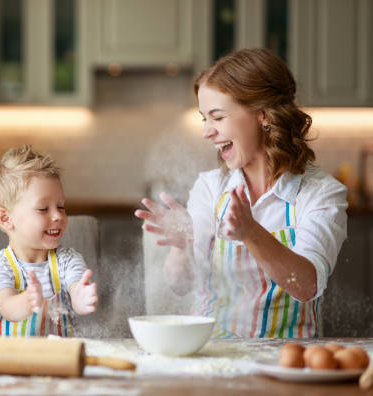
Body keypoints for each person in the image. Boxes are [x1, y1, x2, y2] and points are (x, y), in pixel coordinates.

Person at [135, 48, 347, 338]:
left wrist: (251, 233)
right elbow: (181, 284)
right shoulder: (211, 187)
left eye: (217, 117)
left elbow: (306, 285)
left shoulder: (320, 193)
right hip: (211, 352)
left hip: (287, 358)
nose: (206, 132)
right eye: (204, 119)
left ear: (263, 116)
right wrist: (182, 246)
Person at [0, 145, 98, 337]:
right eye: (43, 208)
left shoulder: (67, 260)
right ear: (5, 218)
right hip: (10, 362)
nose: (57, 216)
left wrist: (81, 298)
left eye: (61, 206)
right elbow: (7, 306)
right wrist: (27, 301)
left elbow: (76, 286)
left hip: (59, 359)